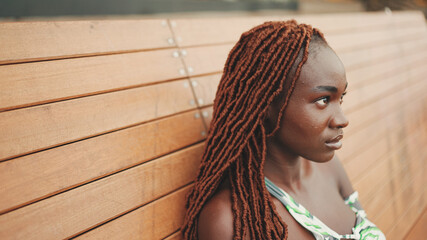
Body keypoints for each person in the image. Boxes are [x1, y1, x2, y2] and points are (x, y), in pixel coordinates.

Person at [181, 20, 386, 240]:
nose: (342, 120)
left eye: (340, 98)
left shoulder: (329, 170)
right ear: (266, 106)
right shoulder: (230, 220)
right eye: (323, 100)